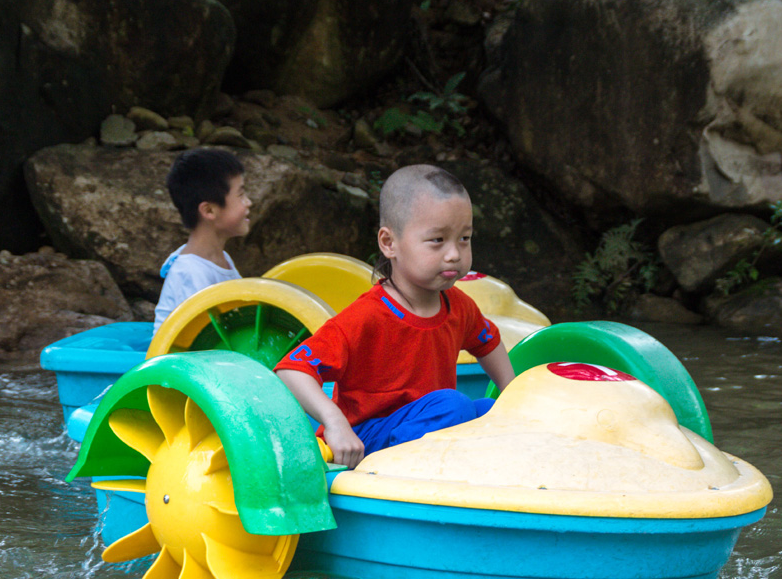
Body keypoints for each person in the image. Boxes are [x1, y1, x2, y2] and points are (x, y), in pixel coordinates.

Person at [275, 164, 515, 468]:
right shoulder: (367, 316)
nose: (454, 253)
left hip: (427, 425)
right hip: (366, 440)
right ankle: (395, 471)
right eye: (438, 240)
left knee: (490, 411)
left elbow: (487, 341)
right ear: (389, 243)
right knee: (454, 405)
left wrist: (513, 400)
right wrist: (335, 424)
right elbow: (292, 369)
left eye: (464, 238)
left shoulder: (459, 306)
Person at [153, 148, 252, 334]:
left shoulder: (222, 258)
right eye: (240, 195)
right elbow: (199, 341)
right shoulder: (190, 272)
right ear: (209, 211)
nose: (248, 202)